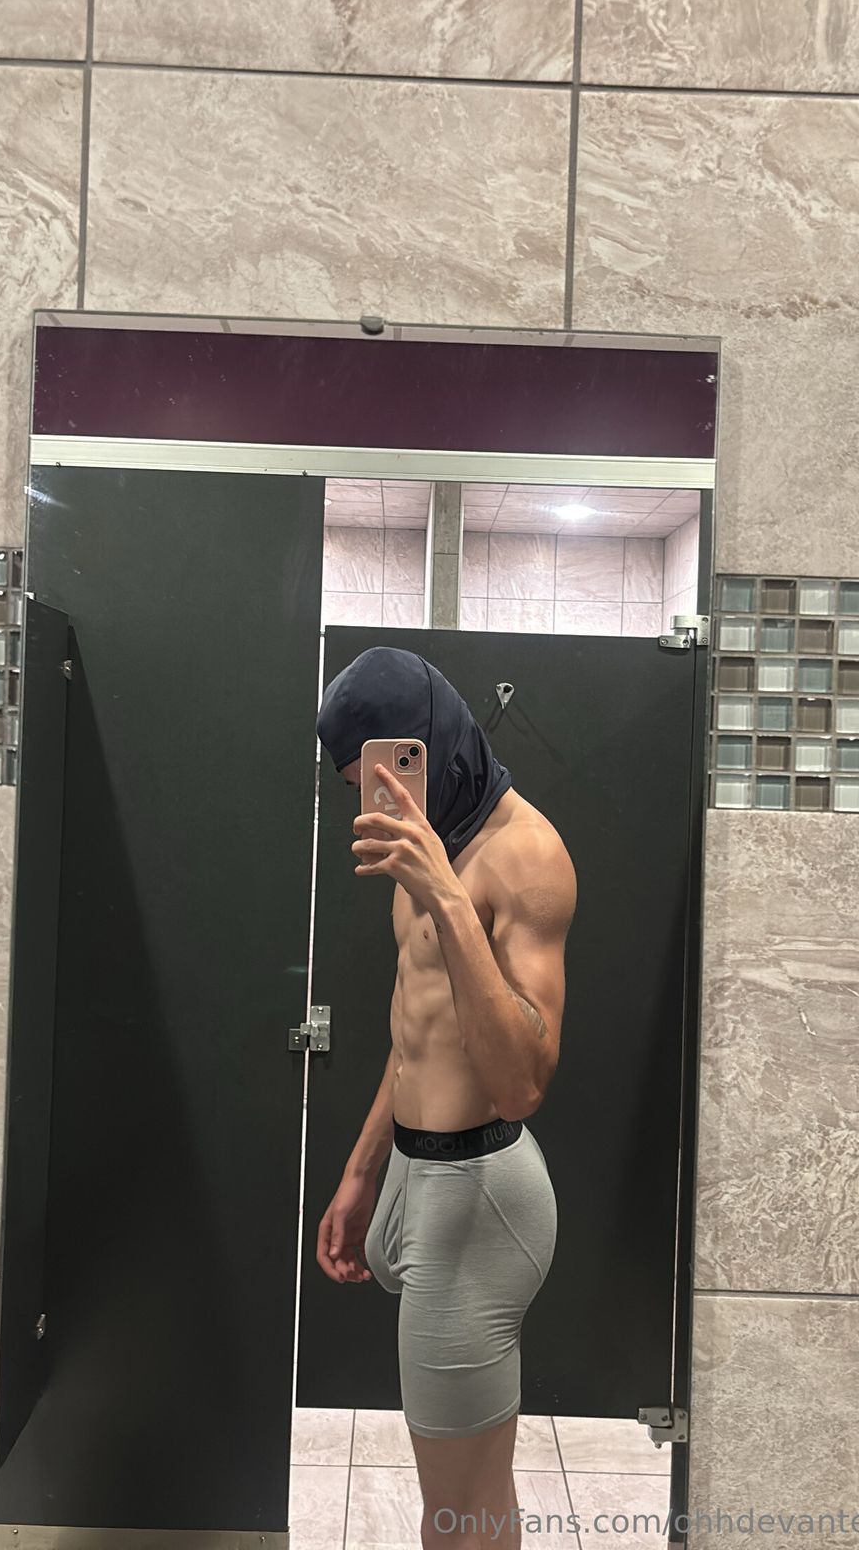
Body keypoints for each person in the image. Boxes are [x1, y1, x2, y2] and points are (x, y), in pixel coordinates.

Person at [314, 646, 577, 1549]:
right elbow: (416, 1032)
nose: (381, 800)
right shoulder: (430, 842)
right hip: (417, 1177)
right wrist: (362, 1173)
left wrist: (449, 900)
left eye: (392, 773)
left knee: (452, 1524)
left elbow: (522, 1082)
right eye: (360, 785)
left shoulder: (527, 857)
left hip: (481, 1200)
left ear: (436, 741)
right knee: (479, 1500)